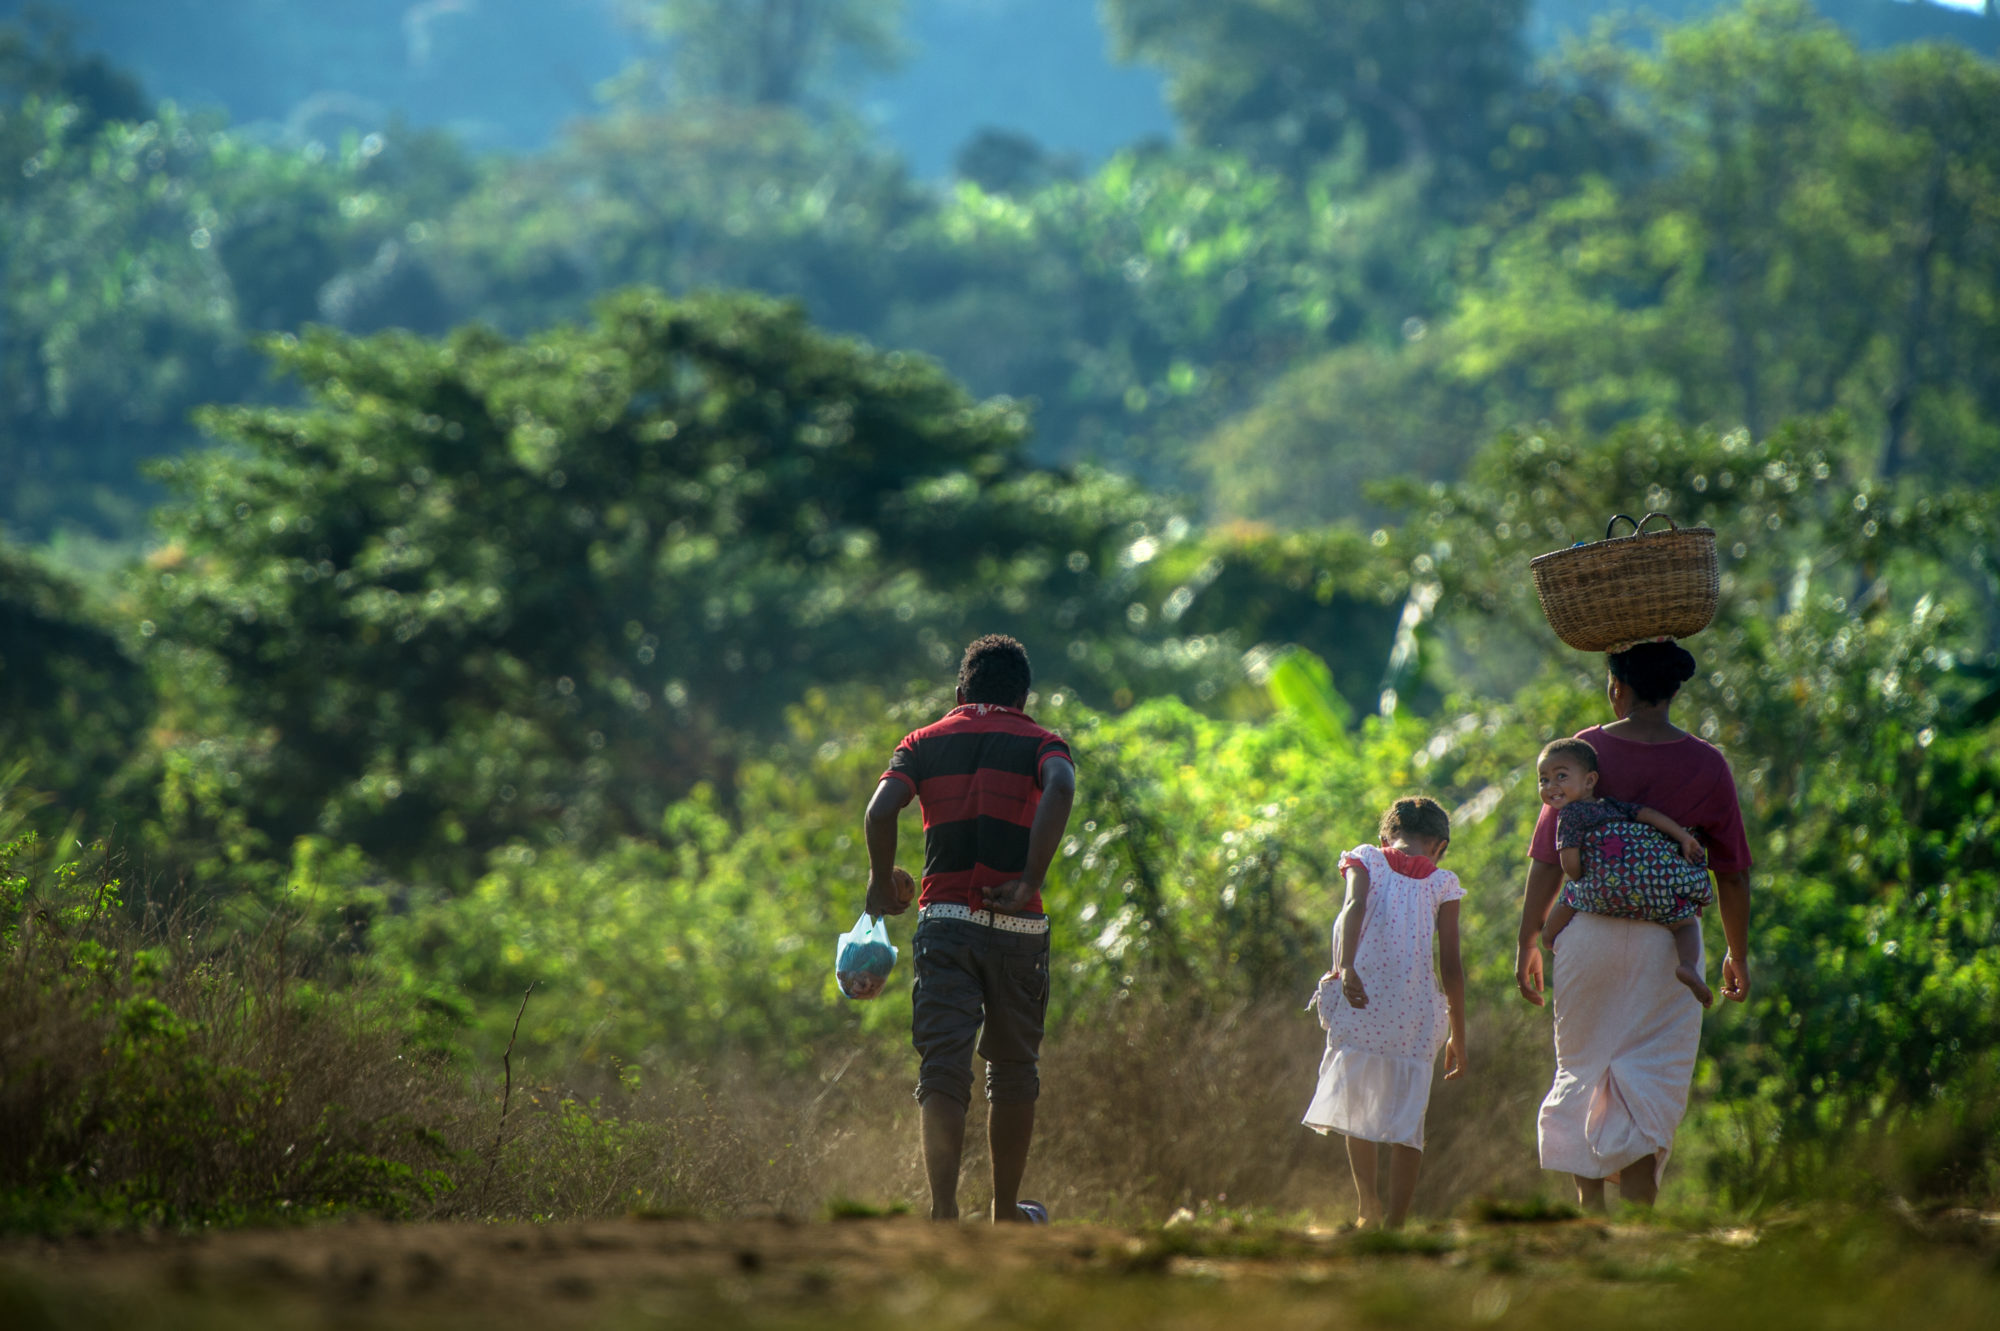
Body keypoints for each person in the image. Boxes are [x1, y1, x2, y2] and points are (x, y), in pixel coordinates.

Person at [1514, 640, 1753, 1213]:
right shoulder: (1707, 763)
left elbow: (1549, 857)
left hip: (1586, 931)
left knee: (1584, 1065)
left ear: (1617, 688)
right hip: (1668, 942)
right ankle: (1640, 1222)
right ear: (1673, 691)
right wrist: (1737, 954)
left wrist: (1528, 939)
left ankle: (1591, 1219)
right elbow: (1733, 874)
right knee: (1647, 1077)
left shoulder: (1584, 751)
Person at [861, 634, 1077, 1223]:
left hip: (946, 923)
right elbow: (1060, 786)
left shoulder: (922, 744)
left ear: (960, 691)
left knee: (943, 1067)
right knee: (1012, 1070)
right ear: (1024, 698)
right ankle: (1005, 1210)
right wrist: (1030, 878)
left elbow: (881, 811)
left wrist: (882, 882)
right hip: (1018, 928)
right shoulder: (1042, 743)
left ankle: (943, 1210)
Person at [1302, 796, 1467, 1230]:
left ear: (1385, 837)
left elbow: (1353, 907)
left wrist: (1349, 966)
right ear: (1440, 846)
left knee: (1360, 1107)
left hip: (1365, 1000)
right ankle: (1397, 1222)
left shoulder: (1365, 859)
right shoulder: (1444, 884)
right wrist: (1458, 1036)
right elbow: (1451, 965)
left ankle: (1366, 1207)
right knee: (1409, 1119)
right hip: (1416, 1014)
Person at [1535, 737, 1715, 1006]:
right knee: (1685, 923)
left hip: (1601, 890)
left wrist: (1586, 876)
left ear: (1589, 780)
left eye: (1561, 776)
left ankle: (1548, 940)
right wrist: (1684, 838)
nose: (1551, 786)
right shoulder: (1613, 805)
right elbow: (1648, 815)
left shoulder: (1569, 815)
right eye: (1543, 780)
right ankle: (1687, 964)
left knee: (1570, 895)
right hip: (1651, 886)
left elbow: (1571, 868)